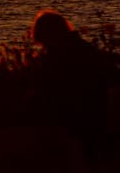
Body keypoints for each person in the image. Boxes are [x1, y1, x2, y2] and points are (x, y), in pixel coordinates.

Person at [29, 9, 114, 161]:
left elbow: (52, 90)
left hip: (75, 119)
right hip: (94, 114)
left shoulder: (58, 55)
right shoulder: (82, 48)